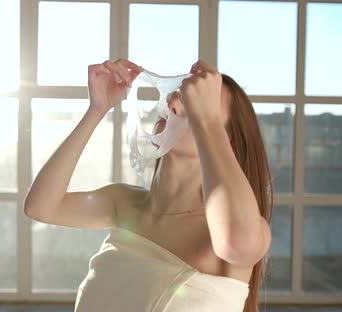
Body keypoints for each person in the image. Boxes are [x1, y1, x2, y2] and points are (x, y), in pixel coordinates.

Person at [23, 58, 273, 312]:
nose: (172, 103)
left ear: (226, 141)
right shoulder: (122, 202)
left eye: (195, 105)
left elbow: (236, 242)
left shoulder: (237, 232)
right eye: (177, 96)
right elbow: (40, 207)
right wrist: (97, 109)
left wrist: (206, 123)